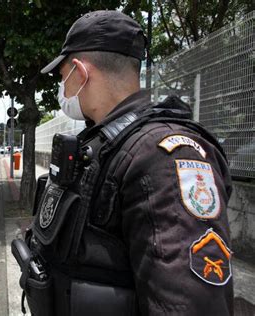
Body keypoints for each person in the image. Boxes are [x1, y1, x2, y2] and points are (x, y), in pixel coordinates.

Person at [15, 10, 233, 316]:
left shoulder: (164, 156)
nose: (62, 89)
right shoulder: (106, 144)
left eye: (62, 76)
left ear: (80, 72)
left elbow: (188, 304)